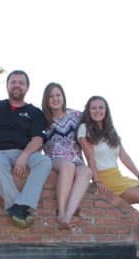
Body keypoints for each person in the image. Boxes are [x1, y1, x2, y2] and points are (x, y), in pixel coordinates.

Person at [77, 96, 139, 238]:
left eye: (101, 107)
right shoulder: (84, 129)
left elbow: (124, 156)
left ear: (106, 110)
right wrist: (97, 180)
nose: (97, 111)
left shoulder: (110, 131)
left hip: (117, 176)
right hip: (104, 177)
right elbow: (90, 157)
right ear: (88, 111)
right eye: (93, 108)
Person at [0, 70, 52, 228]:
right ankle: (20, 207)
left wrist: (24, 156)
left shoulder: (35, 112)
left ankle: (19, 207)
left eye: (21, 83)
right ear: (7, 85)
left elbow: (38, 139)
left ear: (27, 87)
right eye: (13, 82)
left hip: (24, 152)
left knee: (44, 162)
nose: (17, 85)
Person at [41, 82, 91, 229]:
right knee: (68, 166)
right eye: (51, 96)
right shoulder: (43, 120)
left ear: (63, 97)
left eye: (58, 95)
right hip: (54, 159)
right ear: (46, 100)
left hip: (77, 158)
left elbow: (90, 137)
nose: (55, 99)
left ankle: (68, 216)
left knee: (87, 171)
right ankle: (61, 213)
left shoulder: (77, 116)